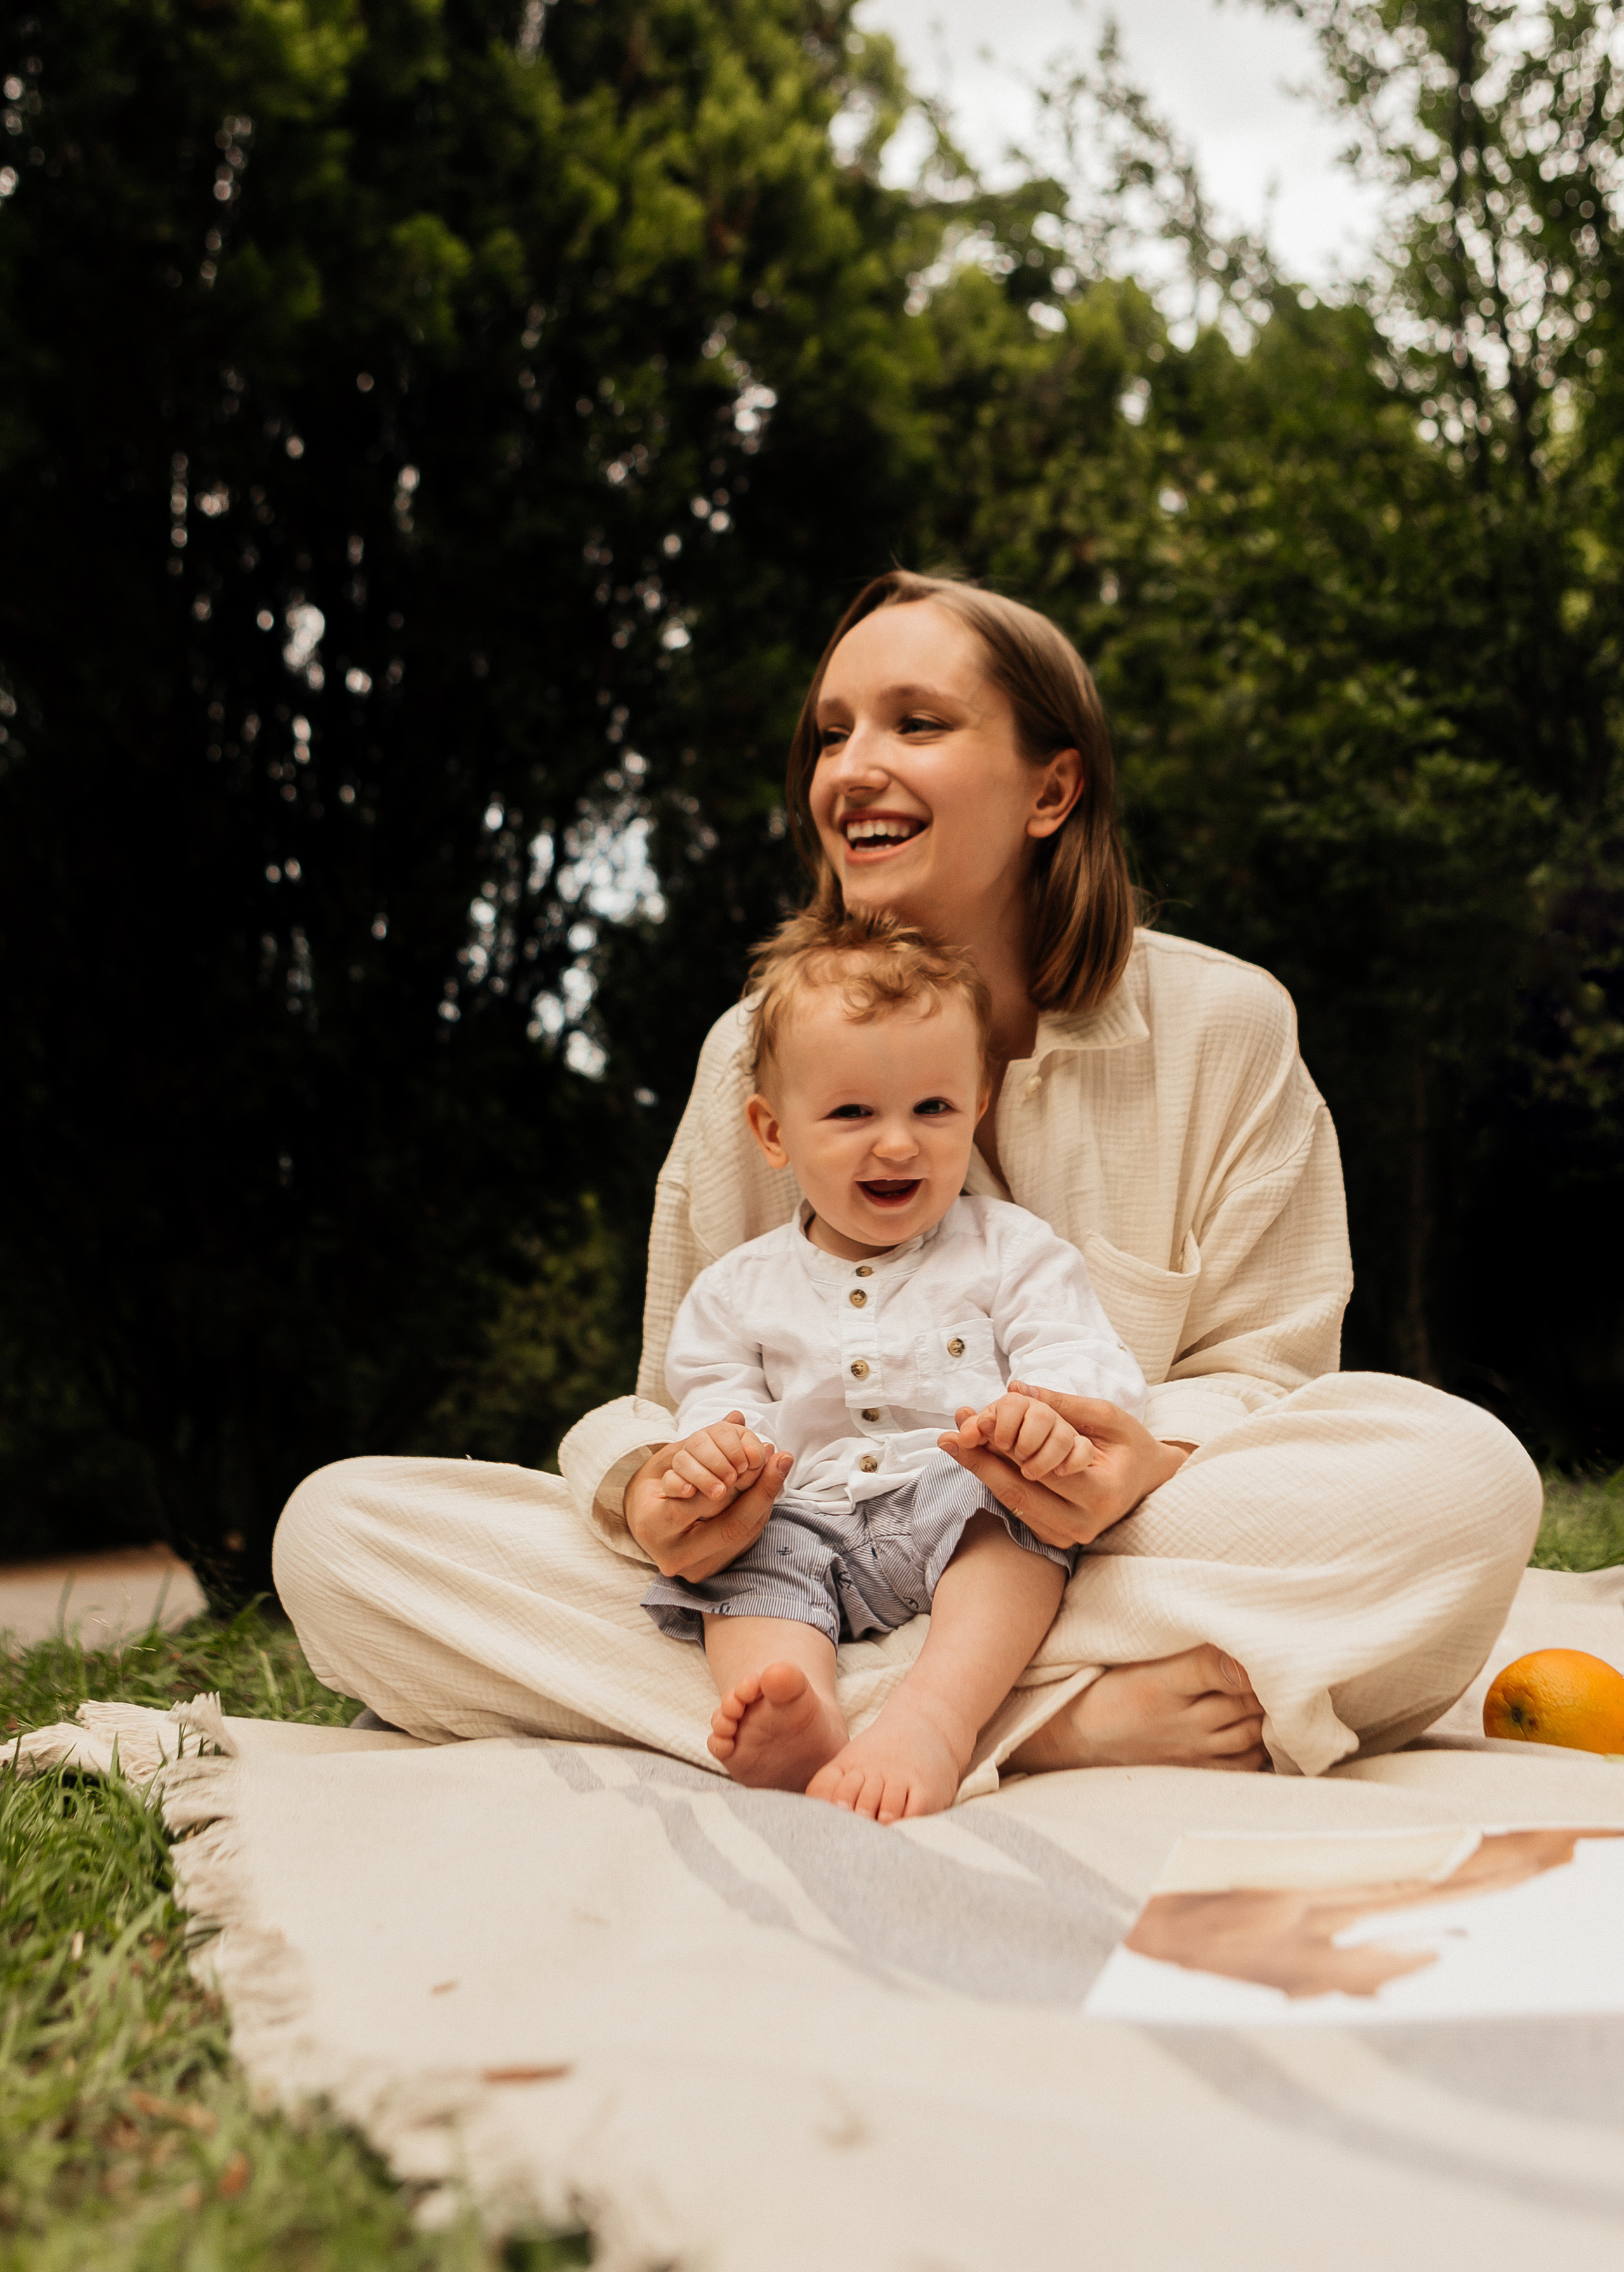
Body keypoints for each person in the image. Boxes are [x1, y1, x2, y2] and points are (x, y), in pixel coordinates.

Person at [273, 571, 1543, 1789]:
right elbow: (673, 1397)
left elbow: (1270, 1377)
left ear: (1052, 789)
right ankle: (1033, 1718)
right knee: (338, 1536)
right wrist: (650, 1493)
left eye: (914, 724)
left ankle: (884, 1704)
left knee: (1460, 1477)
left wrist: (1133, 1456)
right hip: (785, 1577)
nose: (848, 770)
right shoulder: (747, 1057)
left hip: (1083, 1545)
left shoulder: (1223, 1023)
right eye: (830, 735)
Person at [647, 907, 1146, 1822]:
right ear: (772, 1131)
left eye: (933, 1109)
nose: (898, 1142)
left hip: (951, 1494)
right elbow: (715, 1403)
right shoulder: (735, 1289)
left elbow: (1077, 1353)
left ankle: (934, 1718)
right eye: (850, 1113)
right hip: (805, 1513)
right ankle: (794, 1710)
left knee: (1013, 1521)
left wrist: (1050, 1418)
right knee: (738, 1570)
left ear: (978, 1105)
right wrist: (718, 1461)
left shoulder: (1010, 1249)